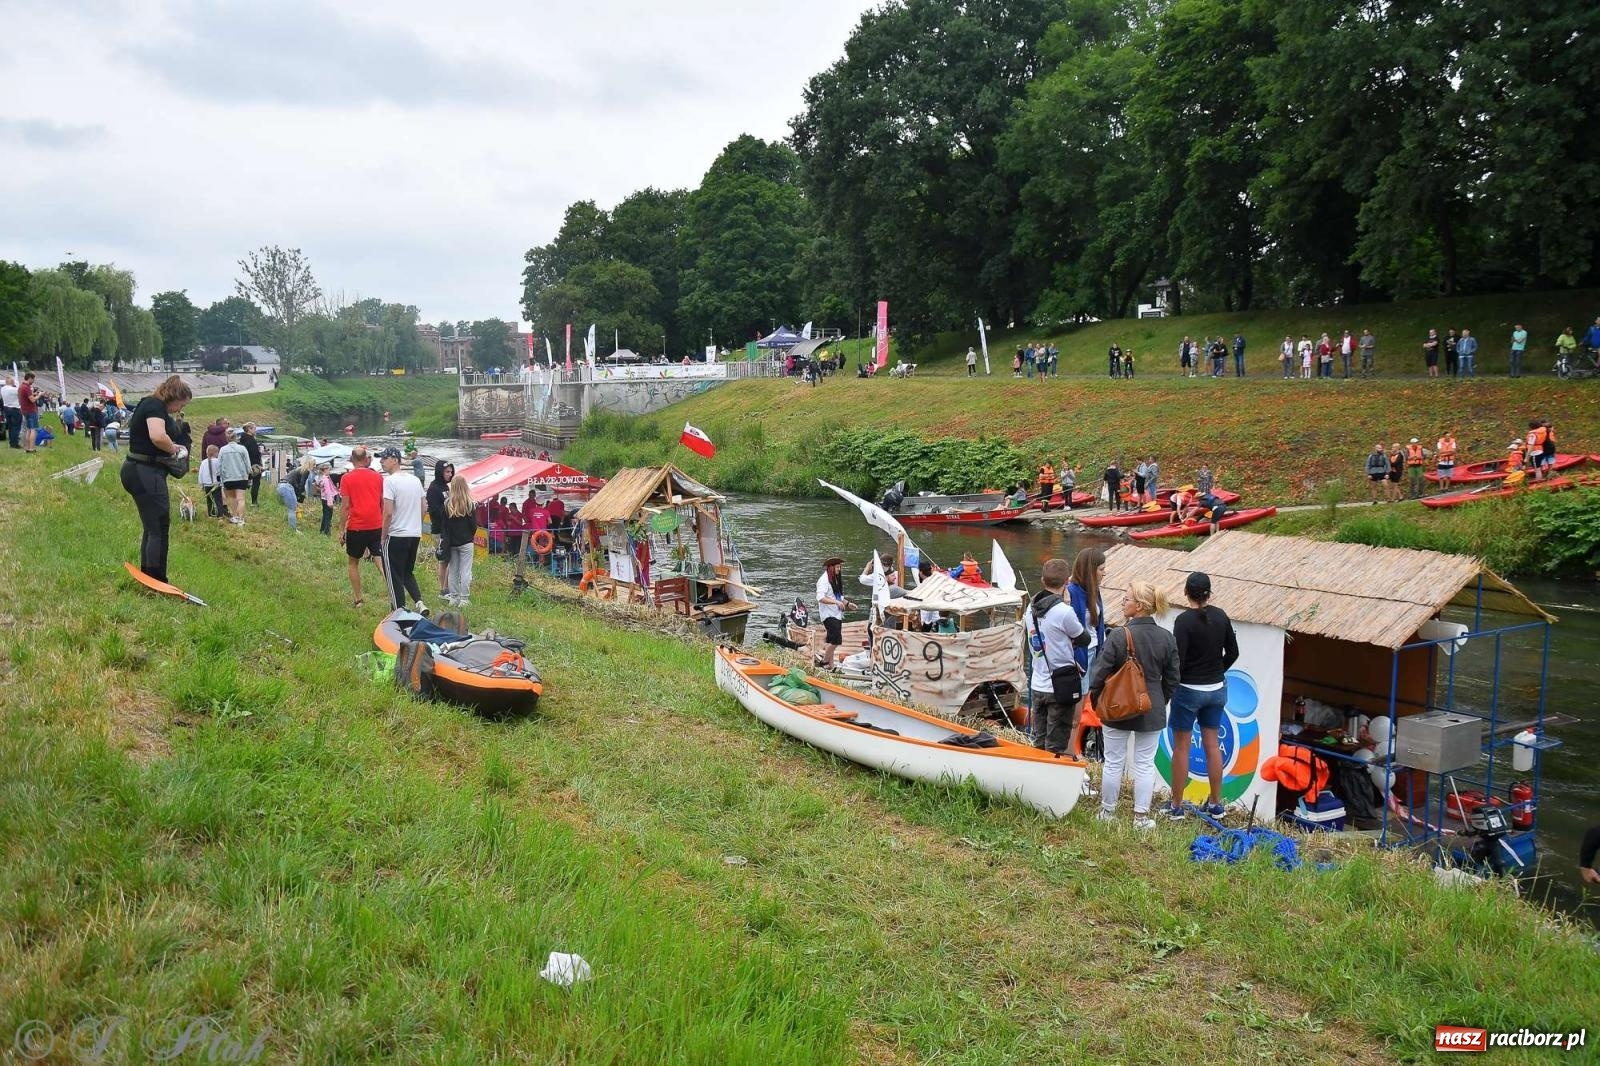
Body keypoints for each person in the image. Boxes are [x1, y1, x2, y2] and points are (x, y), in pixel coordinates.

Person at [1088, 580, 1179, 829]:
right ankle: (1140, 817)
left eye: (1126, 599)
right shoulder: (1167, 638)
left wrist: (1098, 702)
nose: (1122, 602)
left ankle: (1108, 812)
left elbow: (1098, 675)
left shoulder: (1118, 636)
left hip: (1117, 708)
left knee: (1114, 761)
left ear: (1139, 605)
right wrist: (1159, 700)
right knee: (1144, 763)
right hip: (1151, 708)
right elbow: (1173, 679)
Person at [1166, 571, 1238, 820]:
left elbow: (1179, 660)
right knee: (1212, 745)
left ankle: (1176, 806)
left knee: (1182, 748)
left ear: (1186, 592)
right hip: (1216, 688)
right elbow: (1233, 652)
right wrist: (1217, 670)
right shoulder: (1221, 616)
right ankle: (1217, 804)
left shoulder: (1183, 621)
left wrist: (1175, 684)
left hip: (1189, 690)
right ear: (1209, 593)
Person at [119, 376, 193, 583]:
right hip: (145, 471)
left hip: (139, 470)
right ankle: (157, 579)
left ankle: (148, 573)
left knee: (152, 527)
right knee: (159, 527)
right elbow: (158, 437)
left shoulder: (150, 404)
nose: (179, 410)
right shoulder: (154, 406)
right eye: (181, 404)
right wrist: (175, 450)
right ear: (174, 397)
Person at [1025, 557, 1086, 755]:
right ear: (1066, 582)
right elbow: (1083, 638)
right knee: (1056, 744)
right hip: (1060, 685)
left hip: (1037, 683)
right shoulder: (1064, 612)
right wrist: (1066, 602)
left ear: (1043, 580)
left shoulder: (1030, 609)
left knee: (1039, 740)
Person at [379, 445, 428, 614]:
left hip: (396, 534)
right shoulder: (415, 480)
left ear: (395, 460)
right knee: (407, 571)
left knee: (393, 575)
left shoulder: (390, 481)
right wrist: (416, 524)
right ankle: (420, 603)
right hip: (414, 534)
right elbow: (424, 506)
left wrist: (382, 537)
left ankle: (398, 612)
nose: (381, 462)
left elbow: (388, 513)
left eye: (384, 458)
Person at [337, 446, 386, 608]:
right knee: (379, 559)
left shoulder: (346, 478)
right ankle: (393, 592)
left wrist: (341, 529)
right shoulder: (378, 477)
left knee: (353, 562)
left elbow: (345, 506)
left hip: (357, 526)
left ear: (352, 460)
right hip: (375, 524)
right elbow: (382, 502)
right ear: (366, 459)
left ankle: (358, 599)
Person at [439, 475, 478, 608]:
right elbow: (474, 526)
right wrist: (469, 536)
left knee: (453, 570)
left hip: (452, 542)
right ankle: (464, 599)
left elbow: (443, 525)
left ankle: (454, 597)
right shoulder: (470, 504)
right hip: (466, 542)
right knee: (465, 570)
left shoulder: (447, 504)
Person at [814, 557, 856, 669]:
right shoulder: (823, 580)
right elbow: (820, 597)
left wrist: (848, 604)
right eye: (837, 567)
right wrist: (836, 602)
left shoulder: (835, 580)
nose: (839, 569)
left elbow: (839, 597)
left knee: (832, 640)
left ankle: (830, 666)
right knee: (836, 640)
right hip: (828, 614)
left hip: (836, 614)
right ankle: (824, 662)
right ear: (831, 568)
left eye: (840, 567)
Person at [427, 460, 454, 591]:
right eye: (447, 472)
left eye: (451, 471)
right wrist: (449, 510)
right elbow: (433, 510)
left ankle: (446, 587)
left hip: (448, 528)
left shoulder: (446, 487)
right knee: (443, 559)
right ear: (440, 472)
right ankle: (443, 588)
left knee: (449, 559)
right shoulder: (433, 489)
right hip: (439, 529)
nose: (450, 474)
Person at [217, 430, 252, 525]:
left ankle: (235, 516)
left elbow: (219, 464)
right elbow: (247, 463)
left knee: (231, 498)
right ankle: (241, 519)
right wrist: (249, 473)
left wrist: (218, 476)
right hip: (241, 477)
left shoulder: (223, 450)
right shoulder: (242, 448)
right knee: (240, 499)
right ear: (236, 437)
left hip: (228, 477)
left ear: (226, 438)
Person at [279, 456, 310, 533]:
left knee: (292, 508)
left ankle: (292, 525)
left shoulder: (298, 469)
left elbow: (296, 484)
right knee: (292, 509)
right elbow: (302, 485)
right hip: (287, 486)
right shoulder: (306, 471)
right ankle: (293, 529)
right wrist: (301, 495)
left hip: (281, 485)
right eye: (315, 464)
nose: (315, 466)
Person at [240, 423, 264, 504]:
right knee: (256, 482)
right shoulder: (251, 440)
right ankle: (254, 501)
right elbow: (254, 453)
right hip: (254, 464)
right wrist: (259, 454)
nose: (255, 430)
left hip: (244, 464)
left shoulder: (242, 439)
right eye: (254, 428)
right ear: (249, 429)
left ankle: (241, 500)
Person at [197, 445, 224, 518]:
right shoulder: (217, 461)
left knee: (209, 500)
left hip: (207, 485)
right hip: (216, 484)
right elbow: (220, 473)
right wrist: (221, 482)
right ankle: (220, 515)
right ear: (215, 453)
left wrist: (201, 484)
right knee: (218, 500)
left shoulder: (203, 462)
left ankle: (210, 514)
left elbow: (200, 474)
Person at [18, 372, 40, 452]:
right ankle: (32, 448)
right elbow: (32, 400)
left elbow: (26, 397)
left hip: (24, 410)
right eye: (33, 379)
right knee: (33, 429)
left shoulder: (21, 386)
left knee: (28, 429)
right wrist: (39, 395)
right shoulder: (27, 387)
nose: (33, 381)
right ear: (30, 378)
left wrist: (33, 394)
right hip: (31, 410)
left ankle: (27, 447)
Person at [316, 462, 337, 535]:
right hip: (328, 499)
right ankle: (327, 532)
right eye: (328, 470)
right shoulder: (326, 480)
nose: (329, 471)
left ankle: (322, 530)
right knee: (328, 516)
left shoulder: (321, 478)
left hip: (323, 499)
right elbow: (328, 491)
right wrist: (330, 502)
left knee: (325, 515)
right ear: (324, 470)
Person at [1, 374, 19, 447]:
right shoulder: (13, 389)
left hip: (6, 407)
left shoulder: (3, 389)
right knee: (16, 426)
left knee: (11, 426)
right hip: (14, 408)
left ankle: (11, 442)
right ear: (12, 382)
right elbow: (19, 393)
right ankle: (14, 443)